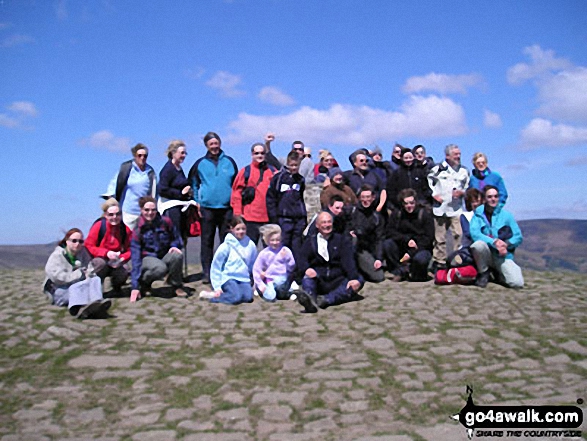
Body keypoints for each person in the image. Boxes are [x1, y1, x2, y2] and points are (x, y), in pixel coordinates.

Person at [188, 132, 238, 284]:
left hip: (226, 208)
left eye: (216, 143)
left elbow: (236, 184)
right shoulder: (200, 164)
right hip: (207, 208)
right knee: (207, 241)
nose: (214, 146)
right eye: (211, 144)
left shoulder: (230, 162)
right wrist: (196, 201)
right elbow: (193, 184)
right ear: (207, 146)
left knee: (227, 241)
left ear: (220, 144)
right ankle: (207, 272)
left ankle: (224, 269)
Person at [296, 212, 364, 313]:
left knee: (359, 280)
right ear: (317, 225)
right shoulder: (310, 241)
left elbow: (348, 261)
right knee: (307, 279)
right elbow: (301, 258)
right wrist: (306, 269)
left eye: (329, 222)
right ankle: (310, 300)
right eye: (323, 222)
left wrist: (353, 278)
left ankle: (326, 300)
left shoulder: (341, 240)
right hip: (319, 278)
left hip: (337, 279)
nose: (327, 225)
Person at [43, 228, 112, 319]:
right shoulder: (57, 255)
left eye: (80, 241)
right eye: (74, 241)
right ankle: (80, 308)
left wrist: (89, 276)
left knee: (95, 279)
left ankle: (97, 302)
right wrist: (77, 275)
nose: (77, 244)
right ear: (67, 241)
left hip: (78, 284)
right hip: (59, 289)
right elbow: (56, 277)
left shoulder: (83, 252)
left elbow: (89, 268)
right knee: (75, 289)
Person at [129, 196, 187, 302]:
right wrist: (135, 286)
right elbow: (135, 257)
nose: (150, 213)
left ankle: (176, 285)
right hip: (147, 258)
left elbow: (175, 238)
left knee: (177, 255)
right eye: (146, 210)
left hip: (163, 254)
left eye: (153, 210)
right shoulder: (138, 229)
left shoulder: (165, 222)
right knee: (160, 268)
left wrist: (174, 245)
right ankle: (144, 283)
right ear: (141, 210)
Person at [470, 185, 524, 288]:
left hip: (502, 256)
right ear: (484, 199)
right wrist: (494, 242)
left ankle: (498, 273)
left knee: (517, 283)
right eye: (489, 197)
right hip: (486, 254)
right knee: (478, 245)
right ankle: (484, 272)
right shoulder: (478, 215)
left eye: (495, 196)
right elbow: (475, 234)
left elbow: (518, 236)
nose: (493, 199)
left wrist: (506, 244)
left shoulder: (507, 216)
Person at [427, 144, 470, 271]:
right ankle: (439, 262)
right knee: (440, 237)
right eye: (455, 154)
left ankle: (458, 260)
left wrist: (462, 193)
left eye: (459, 154)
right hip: (440, 208)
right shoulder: (437, 169)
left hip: (456, 209)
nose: (458, 156)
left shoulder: (464, 171)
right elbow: (429, 182)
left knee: (459, 234)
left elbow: (468, 187)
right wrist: (434, 195)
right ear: (447, 156)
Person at [199, 216, 258, 304]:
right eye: (238, 229)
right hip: (229, 277)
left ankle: (230, 294)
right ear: (232, 229)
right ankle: (214, 296)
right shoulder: (226, 246)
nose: (241, 231)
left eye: (243, 229)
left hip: (243, 278)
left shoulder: (250, 244)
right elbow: (216, 266)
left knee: (248, 298)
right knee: (236, 298)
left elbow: (253, 264)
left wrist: (254, 281)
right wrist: (217, 287)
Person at [102, 143, 157, 230]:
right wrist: (110, 198)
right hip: (127, 212)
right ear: (135, 156)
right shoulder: (126, 168)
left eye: (145, 156)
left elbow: (154, 191)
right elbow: (115, 182)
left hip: (143, 213)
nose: (142, 158)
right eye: (139, 155)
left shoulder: (150, 172)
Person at [383, 189, 434, 282]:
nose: (409, 206)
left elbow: (428, 238)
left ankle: (415, 272)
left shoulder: (425, 215)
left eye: (411, 203)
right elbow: (389, 231)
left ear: (416, 202)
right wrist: (406, 240)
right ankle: (400, 271)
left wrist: (411, 253)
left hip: (420, 248)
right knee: (387, 244)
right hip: (402, 245)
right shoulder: (397, 214)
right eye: (406, 203)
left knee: (420, 260)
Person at [230, 142, 277, 244]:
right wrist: (237, 214)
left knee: (270, 250)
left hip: (268, 218)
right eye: (257, 153)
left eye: (262, 153)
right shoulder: (245, 171)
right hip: (250, 218)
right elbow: (236, 193)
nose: (259, 155)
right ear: (252, 154)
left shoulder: (272, 171)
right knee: (248, 249)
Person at [266, 150, 307, 263]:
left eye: (296, 165)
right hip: (283, 218)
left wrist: (303, 217)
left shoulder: (300, 179)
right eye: (292, 165)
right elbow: (271, 198)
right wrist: (274, 218)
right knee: (283, 247)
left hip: (298, 219)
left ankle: (296, 275)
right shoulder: (278, 178)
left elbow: (301, 198)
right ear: (287, 164)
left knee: (297, 247)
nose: (294, 168)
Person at [85, 198, 132, 295]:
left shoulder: (125, 229)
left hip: (117, 261)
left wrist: (122, 258)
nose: (114, 217)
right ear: (105, 215)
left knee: (125, 269)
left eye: (118, 214)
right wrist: (106, 253)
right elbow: (88, 245)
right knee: (100, 263)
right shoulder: (99, 226)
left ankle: (116, 287)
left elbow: (132, 249)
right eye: (111, 214)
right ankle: (96, 290)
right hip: (100, 260)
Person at [157, 140, 194, 239]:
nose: (184, 155)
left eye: (185, 153)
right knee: (174, 236)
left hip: (180, 207)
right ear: (173, 153)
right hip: (170, 208)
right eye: (182, 153)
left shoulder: (179, 169)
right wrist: (180, 193)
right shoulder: (168, 169)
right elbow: (162, 190)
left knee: (182, 236)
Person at [350, 185, 385, 283]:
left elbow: (379, 238)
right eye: (363, 197)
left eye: (368, 197)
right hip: (355, 248)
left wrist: (378, 258)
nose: (366, 200)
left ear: (373, 198)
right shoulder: (352, 212)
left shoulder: (377, 217)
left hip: (368, 249)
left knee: (379, 277)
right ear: (359, 198)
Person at [252, 224, 296, 301]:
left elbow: (291, 266)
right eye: (272, 240)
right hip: (269, 279)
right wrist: (259, 283)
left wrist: (286, 259)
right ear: (267, 241)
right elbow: (256, 269)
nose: (275, 242)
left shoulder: (285, 250)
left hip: (283, 278)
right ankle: (261, 290)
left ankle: (288, 291)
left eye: (277, 240)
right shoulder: (264, 253)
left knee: (281, 286)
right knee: (270, 297)